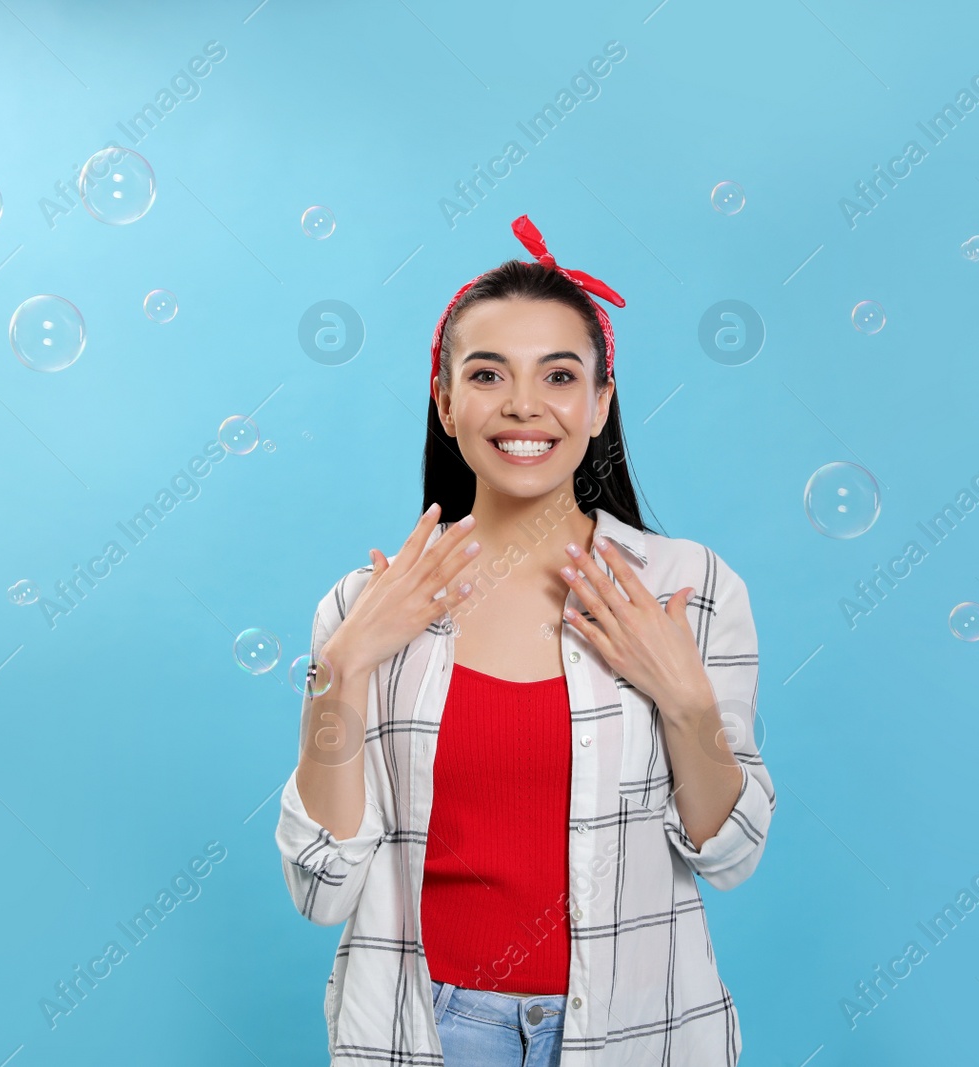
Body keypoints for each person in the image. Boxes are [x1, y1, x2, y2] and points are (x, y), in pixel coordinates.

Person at [275, 214, 775, 1066]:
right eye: (487, 373)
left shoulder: (690, 590)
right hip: (428, 1030)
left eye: (558, 374)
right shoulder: (365, 605)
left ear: (599, 402)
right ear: (444, 399)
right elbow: (322, 886)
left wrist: (684, 697)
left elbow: (729, 853)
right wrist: (346, 669)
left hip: (639, 1031)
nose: (522, 405)